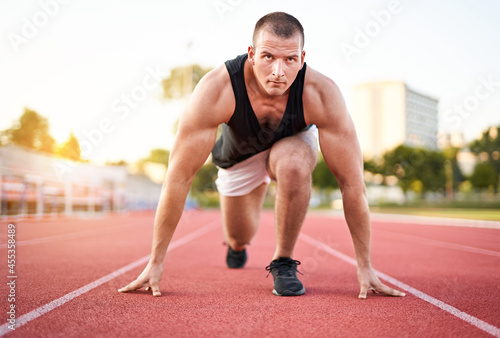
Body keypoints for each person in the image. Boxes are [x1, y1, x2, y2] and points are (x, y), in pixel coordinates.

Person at [118, 12, 405, 299]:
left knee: (294, 164)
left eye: (289, 60)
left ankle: (283, 261)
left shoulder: (321, 93)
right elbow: (179, 178)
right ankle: (237, 245)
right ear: (252, 54)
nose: (278, 72)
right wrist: (155, 262)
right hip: (239, 157)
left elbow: (353, 184)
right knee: (240, 235)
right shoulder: (217, 89)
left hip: (289, 145)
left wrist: (365, 265)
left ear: (302, 58)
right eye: (268, 57)